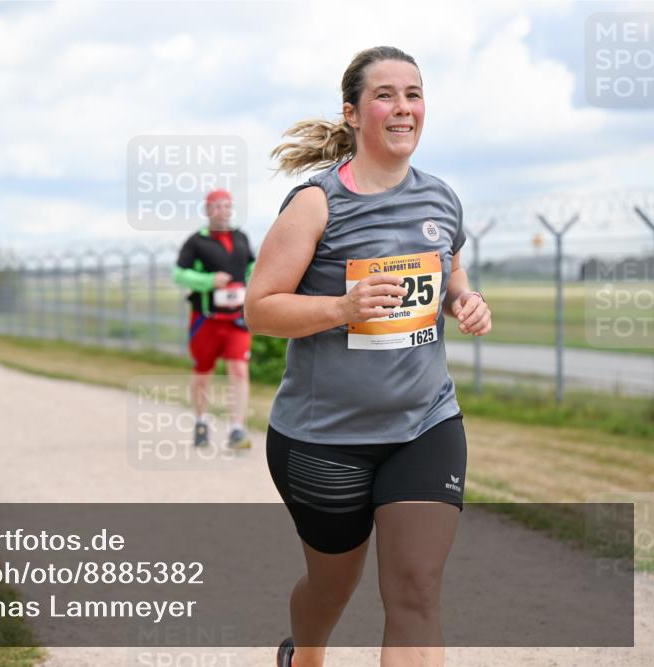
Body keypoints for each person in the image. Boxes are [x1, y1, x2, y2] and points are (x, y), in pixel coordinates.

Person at [244, 47, 492, 667]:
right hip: (325, 439)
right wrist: (341, 308)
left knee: (415, 592)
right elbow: (260, 307)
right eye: (385, 95)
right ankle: (304, 654)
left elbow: (450, 267)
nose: (403, 107)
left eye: (414, 93)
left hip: (424, 424)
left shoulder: (440, 198)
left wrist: (465, 297)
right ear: (354, 113)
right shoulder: (316, 204)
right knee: (331, 589)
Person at [172, 188, 256, 450]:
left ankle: (237, 429)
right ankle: (200, 421)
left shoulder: (241, 237)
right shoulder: (196, 241)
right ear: (208, 210)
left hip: (237, 319)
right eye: (218, 206)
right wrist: (209, 281)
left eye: (227, 206)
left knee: (239, 369)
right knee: (202, 373)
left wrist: (253, 287)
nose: (224, 211)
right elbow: (179, 275)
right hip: (205, 319)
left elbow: (252, 268)